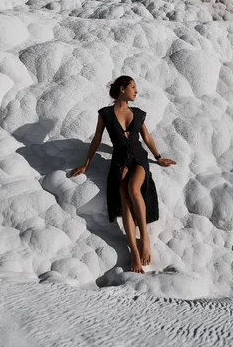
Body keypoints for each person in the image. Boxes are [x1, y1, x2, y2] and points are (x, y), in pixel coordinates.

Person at [70, 76, 176, 274]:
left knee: (133, 188)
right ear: (122, 89)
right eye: (133, 87)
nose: (136, 91)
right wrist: (85, 165)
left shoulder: (137, 113)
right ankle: (134, 252)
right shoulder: (106, 114)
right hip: (119, 160)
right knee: (123, 195)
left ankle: (144, 238)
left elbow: (146, 137)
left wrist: (159, 157)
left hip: (138, 158)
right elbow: (97, 138)